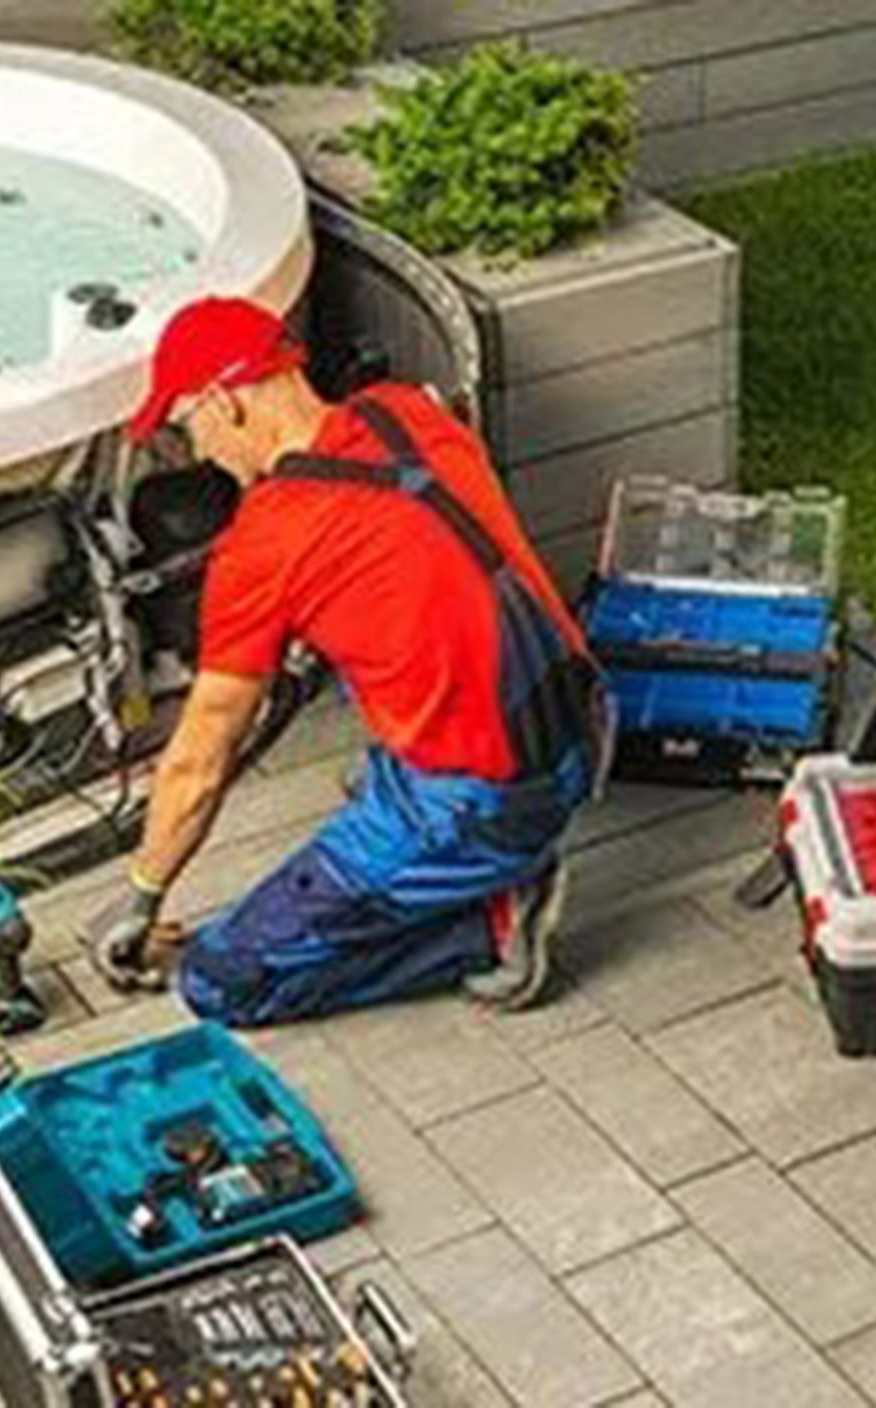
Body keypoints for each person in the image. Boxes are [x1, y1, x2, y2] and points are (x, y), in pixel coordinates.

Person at [81, 296, 606, 1026]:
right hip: (580, 722)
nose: (197, 452)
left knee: (219, 982)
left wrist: (140, 893)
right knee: (387, 740)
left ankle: (486, 928)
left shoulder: (268, 542)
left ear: (223, 402)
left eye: (185, 427)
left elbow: (200, 758)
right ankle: (460, 858)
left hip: (480, 803)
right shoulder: (405, 411)